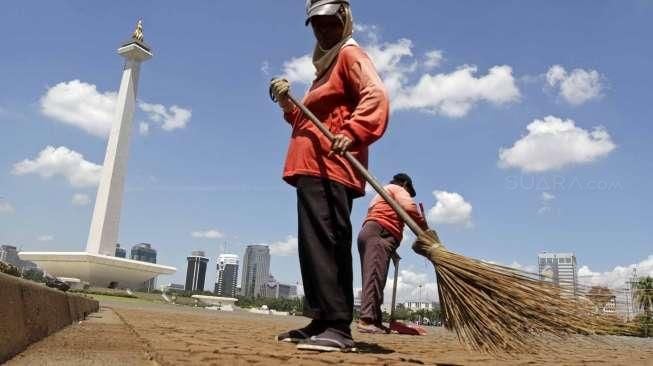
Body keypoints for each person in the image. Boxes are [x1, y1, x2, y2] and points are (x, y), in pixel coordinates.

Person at [269, 0, 389, 352]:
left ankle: (338, 325)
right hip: (311, 166)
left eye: (329, 23)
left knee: (329, 241)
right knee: (313, 245)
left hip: (332, 167)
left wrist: (352, 131)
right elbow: (306, 119)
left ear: (344, 20)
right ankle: (321, 319)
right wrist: (287, 102)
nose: (322, 30)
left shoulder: (351, 55)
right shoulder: (324, 68)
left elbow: (376, 96)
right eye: (316, 25)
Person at [357, 173, 428, 333]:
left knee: (376, 278)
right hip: (379, 233)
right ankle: (366, 319)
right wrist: (424, 229)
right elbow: (409, 208)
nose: (409, 195)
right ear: (404, 184)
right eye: (409, 192)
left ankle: (375, 319)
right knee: (375, 277)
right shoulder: (397, 188)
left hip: (375, 234)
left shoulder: (383, 192)